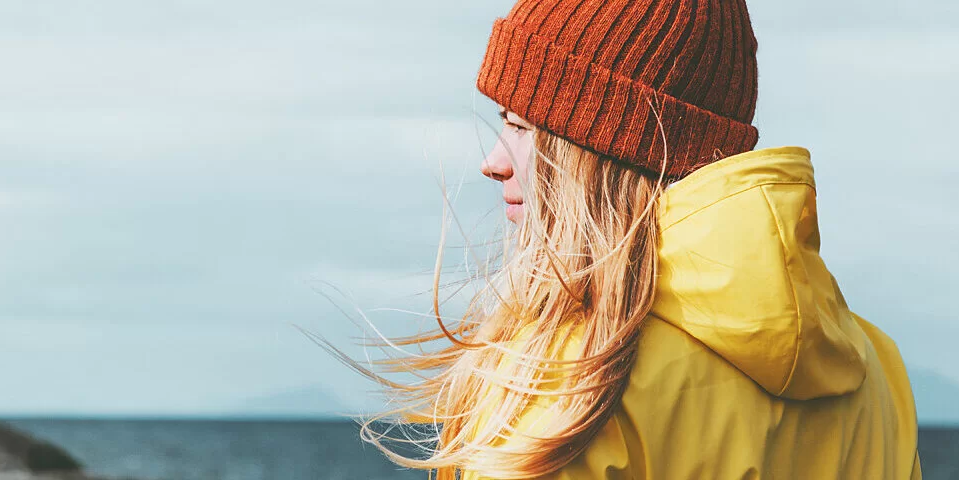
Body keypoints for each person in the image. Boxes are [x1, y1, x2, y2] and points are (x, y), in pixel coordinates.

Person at [345, 0, 922, 478]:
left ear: (605, 148)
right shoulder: (872, 371)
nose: (493, 161)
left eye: (521, 126)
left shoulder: (574, 381)